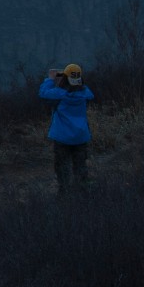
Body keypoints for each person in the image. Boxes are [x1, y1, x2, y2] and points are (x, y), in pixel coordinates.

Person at [39, 63, 94, 194]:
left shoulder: (60, 94)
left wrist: (50, 79)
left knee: (62, 167)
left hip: (62, 137)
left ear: (65, 78)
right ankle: (82, 193)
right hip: (80, 136)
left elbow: (43, 93)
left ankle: (64, 193)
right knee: (80, 166)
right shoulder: (85, 93)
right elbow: (86, 90)